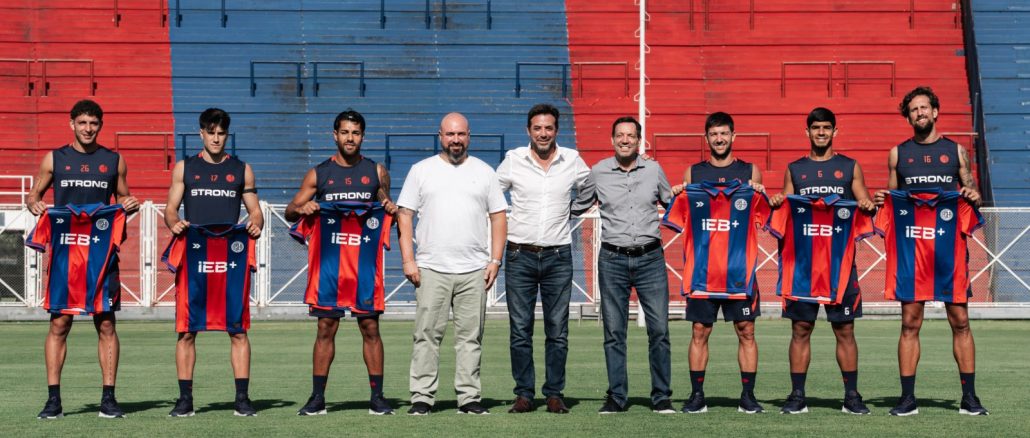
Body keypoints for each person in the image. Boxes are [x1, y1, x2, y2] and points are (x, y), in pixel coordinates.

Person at [872, 86, 988, 416]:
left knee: (961, 321)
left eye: (924, 108)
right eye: (913, 110)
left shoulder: (956, 152)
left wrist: (972, 194)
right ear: (908, 117)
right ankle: (907, 398)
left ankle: (969, 397)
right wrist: (883, 200)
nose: (920, 113)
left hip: (948, 251)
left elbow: (973, 191)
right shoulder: (898, 154)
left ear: (935, 112)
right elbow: (892, 200)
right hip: (912, 250)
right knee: (909, 322)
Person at [26, 99, 140, 419]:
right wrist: (33, 202)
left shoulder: (114, 161)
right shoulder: (55, 159)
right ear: (71, 124)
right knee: (59, 324)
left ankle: (108, 398)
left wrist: (130, 204)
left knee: (105, 324)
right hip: (66, 255)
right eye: (83, 123)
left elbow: (124, 199)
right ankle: (53, 400)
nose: (88, 129)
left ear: (100, 126)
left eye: (94, 123)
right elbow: (34, 194)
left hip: (101, 257)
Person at [285, 109, 398, 416]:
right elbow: (289, 211)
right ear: (334, 135)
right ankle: (318, 397)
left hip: (363, 265)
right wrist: (303, 207)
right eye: (345, 132)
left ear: (363, 136)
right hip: (330, 266)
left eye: (356, 133)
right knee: (325, 327)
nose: (351, 138)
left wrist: (389, 205)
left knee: (370, 327)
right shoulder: (319, 173)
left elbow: (389, 207)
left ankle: (377, 397)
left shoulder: (376, 172)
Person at [397, 112, 507, 415]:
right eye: (449, 134)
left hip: (474, 269)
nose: (455, 140)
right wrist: (408, 259)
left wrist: (495, 260)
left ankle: (469, 398)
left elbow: (498, 216)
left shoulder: (485, 172)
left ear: (469, 135)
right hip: (431, 268)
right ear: (440, 135)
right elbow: (404, 215)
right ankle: (422, 397)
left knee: (470, 338)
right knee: (426, 336)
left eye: (460, 134)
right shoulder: (421, 170)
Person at [571, 116, 675, 415]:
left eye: (631, 135)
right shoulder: (599, 171)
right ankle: (617, 397)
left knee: (659, 330)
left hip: (651, 259)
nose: (625, 140)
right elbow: (578, 205)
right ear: (612, 139)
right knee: (615, 332)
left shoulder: (654, 170)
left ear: (639, 140)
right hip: (613, 259)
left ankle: (661, 397)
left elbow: (673, 205)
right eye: (620, 135)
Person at [163, 108, 263, 417]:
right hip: (194, 255)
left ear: (226, 135)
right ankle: (185, 400)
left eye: (221, 133)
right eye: (211, 132)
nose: (216, 138)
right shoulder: (185, 168)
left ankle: (242, 399)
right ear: (201, 134)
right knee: (187, 331)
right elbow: (170, 209)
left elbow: (255, 209)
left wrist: (256, 222)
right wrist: (174, 222)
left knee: (238, 331)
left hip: (230, 257)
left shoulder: (242, 169)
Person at [776, 107, 874, 415]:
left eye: (826, 128)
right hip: (803, 265)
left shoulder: (849, 167)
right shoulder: (795, 170)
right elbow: (785, 210)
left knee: (845, 330)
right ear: (807, 132)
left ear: (835, 132)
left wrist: (868, 204)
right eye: (815, 127)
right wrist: (779, 201)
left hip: (839, 265)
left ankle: (852, 396)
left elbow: (864, 202)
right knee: (801, 328)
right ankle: (797, 395)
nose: (821, 132)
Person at [676, 112, 773, 414]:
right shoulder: (693, 174)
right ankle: (696, 395)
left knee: (746, 330)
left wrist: (762, 193)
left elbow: (765, 216)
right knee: (699, 332)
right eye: (713, 134)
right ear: (706, 139)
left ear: (734, 136)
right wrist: (678, 193)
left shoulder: (750, 172)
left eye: (724, 133)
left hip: (738, 271)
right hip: (703, 271)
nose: (719, 139)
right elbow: (678, 213)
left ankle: (748, 395)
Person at [496, 103, 589, 414]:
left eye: (549, 128)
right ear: (528, 131)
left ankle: (554, 393)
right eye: (538, 128)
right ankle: (524, 393)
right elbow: (492, 194)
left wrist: (573, 211)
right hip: (519, 254)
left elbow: (593, 188)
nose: (543, 133)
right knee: (520, 329)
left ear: (556, 131)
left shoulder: (572, 160)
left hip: (559, 255)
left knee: (557, 329)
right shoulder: (513, 160)